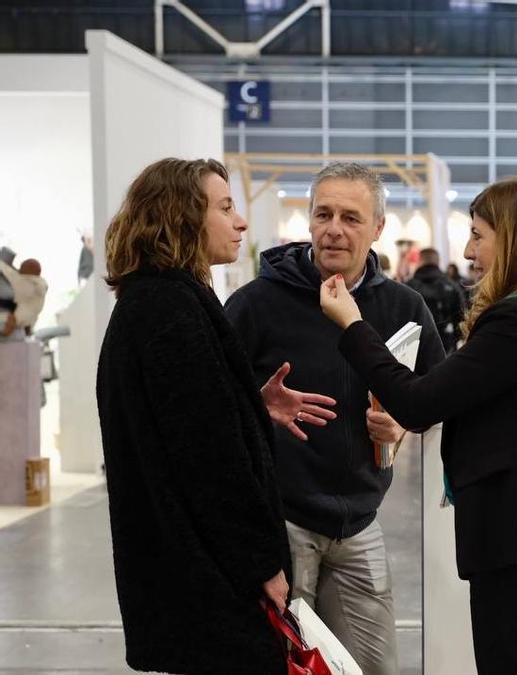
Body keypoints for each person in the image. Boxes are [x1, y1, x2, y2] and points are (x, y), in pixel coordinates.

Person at [320, 176, 517, 675]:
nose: (468, 250)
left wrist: (353, 325)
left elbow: (418, 404)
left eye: (479, 235)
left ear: (514, 238)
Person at [96, 158, 338, 674]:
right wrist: (263, 566)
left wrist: (248, 403)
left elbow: (187, 420)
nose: (241, 222)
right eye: (225, 207)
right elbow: (208, 460)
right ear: (182, 217)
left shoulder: (159, 301)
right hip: (209, 579)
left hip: (191, 572)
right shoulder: (170, 310)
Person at [225, 162, 444, 675]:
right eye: (323, 214)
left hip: (360, 523)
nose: (334, 229)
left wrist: (403, 426)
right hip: (281, 524)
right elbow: (210, 407)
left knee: (373, 668)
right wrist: (257, 403)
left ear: (378, 228)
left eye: (350, 217)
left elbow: (434, 398)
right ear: (308, 220)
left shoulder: (403, 306)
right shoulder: (255, 304)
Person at [406, 248, 467, 353]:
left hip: (415, 350)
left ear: (420, 261)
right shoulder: (451, 286)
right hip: (446, 347)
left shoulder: (408, 287)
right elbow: (462, 320)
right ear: (438, 262)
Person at [0, 257, 46, 337]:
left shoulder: (28, 283)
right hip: (23, 323)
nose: (19, 270)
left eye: (21, 268)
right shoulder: (40, 284)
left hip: (19, 322)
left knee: (14, 319)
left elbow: (10, 273)